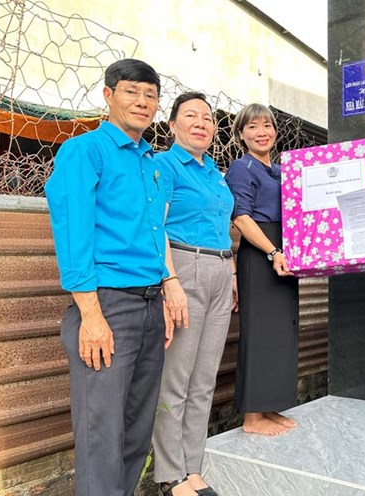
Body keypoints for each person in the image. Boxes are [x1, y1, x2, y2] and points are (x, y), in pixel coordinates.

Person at [45, 59, 188, 495]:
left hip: (148, 307)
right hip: (106, 305)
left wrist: (164, 290)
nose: (142, 102)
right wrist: (89, 313)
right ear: (109, 96)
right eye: (131, 92)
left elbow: (154, 233)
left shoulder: (151, 163)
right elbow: (73, 232)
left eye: (150, 95)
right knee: (101, 433)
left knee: (136, 429)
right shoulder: (84, 151)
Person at [152, 92, 236, 496]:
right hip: (185, 267)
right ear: (172, 125)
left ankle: (192, 465)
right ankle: (170, 475)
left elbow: (222, 227)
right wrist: (170, 283)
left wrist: (232, 272)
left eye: (207, 117)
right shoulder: (163, 165)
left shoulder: (214, 173)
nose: (201, 122)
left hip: (220, 268)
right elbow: (157, 227)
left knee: (204, 379)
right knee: (177, 378)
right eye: (191, 115)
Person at [225, 104, 299, 436]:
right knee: (258, 333)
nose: (261, 132)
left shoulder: (282, 170)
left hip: (284, 249)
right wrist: (272, 251)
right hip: (261, 251)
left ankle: (269, 407)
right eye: (252, 126)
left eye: (267, 125)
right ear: (241, 134)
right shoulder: (242, 168)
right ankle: (252, 417)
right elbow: (241, 217)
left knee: (279, 332)